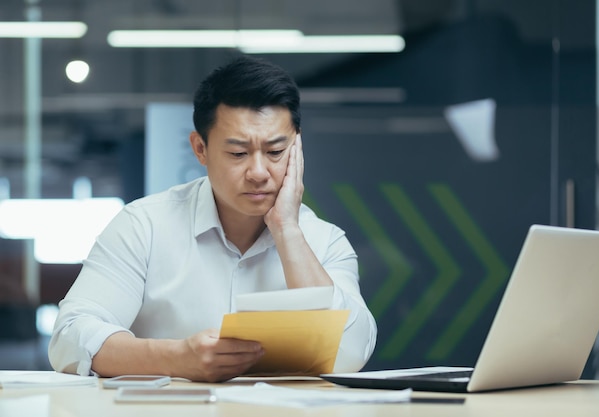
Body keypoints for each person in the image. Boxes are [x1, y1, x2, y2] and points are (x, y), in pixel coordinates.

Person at [48, 55, 377, 382]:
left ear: (297, 147)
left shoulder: (324, 241)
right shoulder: (144, 226)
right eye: (238, 153)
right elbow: (69, 338)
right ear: (200, 149)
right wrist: (175, 358)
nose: (259, 173)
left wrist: (287, 231)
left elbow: (351, 352)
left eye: (276, 152)